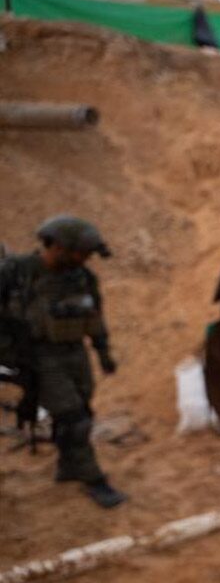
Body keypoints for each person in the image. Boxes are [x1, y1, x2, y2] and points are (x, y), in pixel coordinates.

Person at [0, 215, 127, 508]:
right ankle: (93, 478)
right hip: (40, 356)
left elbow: (94, 316)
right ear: (57, 247)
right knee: (73, 417)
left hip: (75, 352)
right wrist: (10, 352)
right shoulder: (16, 273)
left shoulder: (82, 277)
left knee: (82, 410)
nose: (84, 260)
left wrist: (103, 353)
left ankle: (69, 465)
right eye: (80, 253)